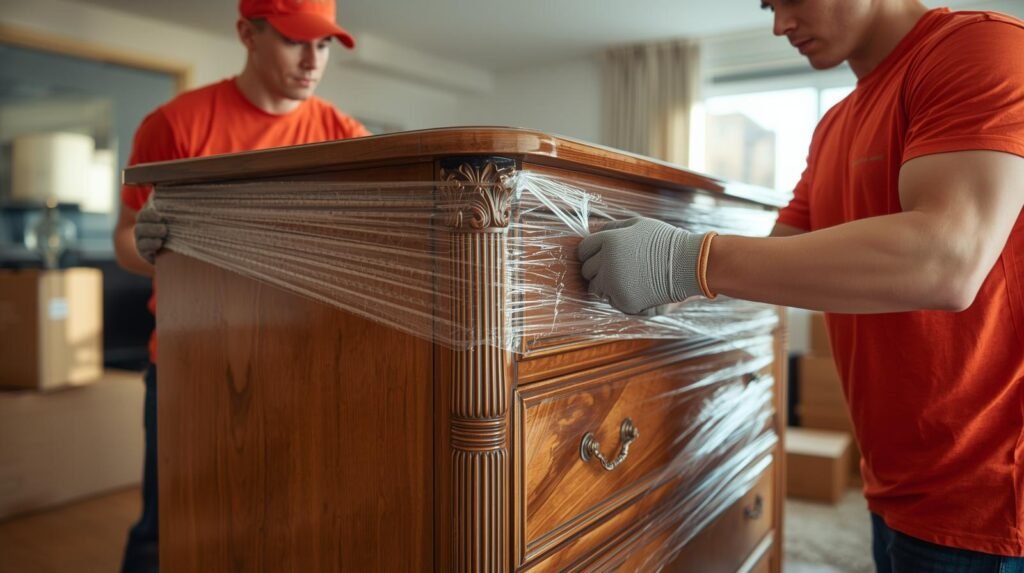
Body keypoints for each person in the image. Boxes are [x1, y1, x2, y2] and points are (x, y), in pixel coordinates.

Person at [578, 1, 1024, 570]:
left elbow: (947, 260)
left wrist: (686, 260)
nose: (779, 24)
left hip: (989, 500)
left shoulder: (980, 48)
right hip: (895, 482)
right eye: (770, 5)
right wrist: (666, 276)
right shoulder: (833, 127)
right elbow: (778, 254)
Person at [112, 0, 370, 570]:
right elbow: (125, 239)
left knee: (273, 519)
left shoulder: (343, 135)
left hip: (293, 363)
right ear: (247, 36)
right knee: (167, 527)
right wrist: (157, 248)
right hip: (189, 362)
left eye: (323, 44)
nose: (313, 61)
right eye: (295, 41)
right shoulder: (176, 124)